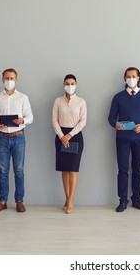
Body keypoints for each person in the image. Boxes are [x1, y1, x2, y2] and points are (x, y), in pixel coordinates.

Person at [108, 67, 140, 212]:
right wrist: (116, 125)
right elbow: (111, 118)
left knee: (137, 169)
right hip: (122, 138)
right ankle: (122, 200)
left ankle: (136, 199)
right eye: (128, 76)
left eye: (134, 76)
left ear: (139, 78)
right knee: (122, 169)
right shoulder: (118, 97)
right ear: (125, 79)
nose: (131, 79)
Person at [0, 68, 33, 213]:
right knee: (3, 171)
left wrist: (22, 121)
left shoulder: (23, 98)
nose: (9, 81)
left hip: (18, 137)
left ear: (16, 80)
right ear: (2, 80)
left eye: (12, 78)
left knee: (19, 171)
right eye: (7, 78)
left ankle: (19, 201)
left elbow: (30, 117)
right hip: (1, 138)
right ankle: (2, 201)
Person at [52, 74, 87, 214]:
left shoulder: (81, 101)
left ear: (76, 84)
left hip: (75, 136)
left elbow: (83, 121)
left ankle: (71, 201)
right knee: (64, 169)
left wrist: (70, 135)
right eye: (67, 83)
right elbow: (54, 120)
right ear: (63, 85)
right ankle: (67, 199)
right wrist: (62, 136)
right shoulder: (58, 101)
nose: (70, 85)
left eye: (72, 83)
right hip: (60, 136)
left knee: (72, 170)